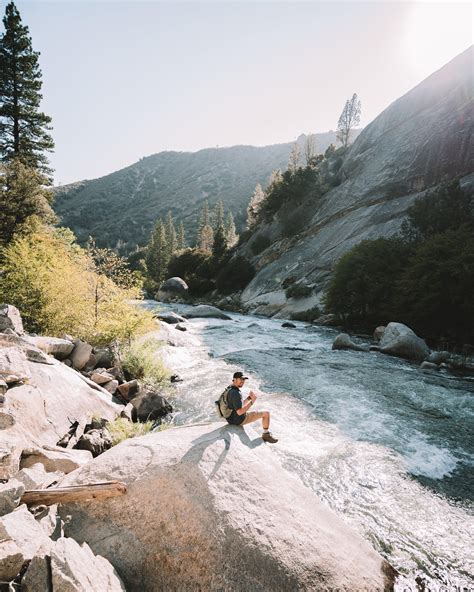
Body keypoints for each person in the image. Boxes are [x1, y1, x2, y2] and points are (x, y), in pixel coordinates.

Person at [225, 371, 278, 443]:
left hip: (230, 418)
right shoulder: (236, 393)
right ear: (234, 379)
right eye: (240, 379)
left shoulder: (230, 389)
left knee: (257, 411)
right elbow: (240, 412)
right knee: (266, 414)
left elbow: (238, 405)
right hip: (238, 420)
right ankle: (266, 435)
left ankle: (266, 434)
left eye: (243, 380)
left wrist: (249, 398)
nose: (242, 381)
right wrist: (252, 402)